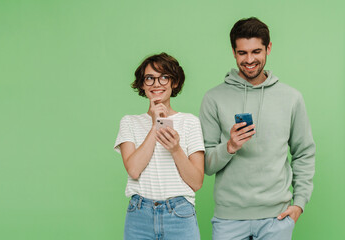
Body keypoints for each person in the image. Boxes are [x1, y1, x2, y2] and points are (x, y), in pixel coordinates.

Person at [199, 17, 315, 240]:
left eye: (256, 51)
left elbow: (304, 153)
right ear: (233, 52)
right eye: (242, 53)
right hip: (228, 219)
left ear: (268, 48)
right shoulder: (214, 98)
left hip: (277, 218)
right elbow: (205, 165)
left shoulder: (291, 98)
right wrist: (230, 146)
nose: (249, 60)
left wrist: (299, 203)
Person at [114, 52, 205, 240]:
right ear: (142, 84)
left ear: (175, 82)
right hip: (139, 215)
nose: (157, 84)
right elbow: (133, 170)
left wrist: (175, 149)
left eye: (164, 77)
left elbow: (196, 182)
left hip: (180, 215)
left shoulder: (190, 122)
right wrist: (155, 124)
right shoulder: (129, 122)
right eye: (150, 78)